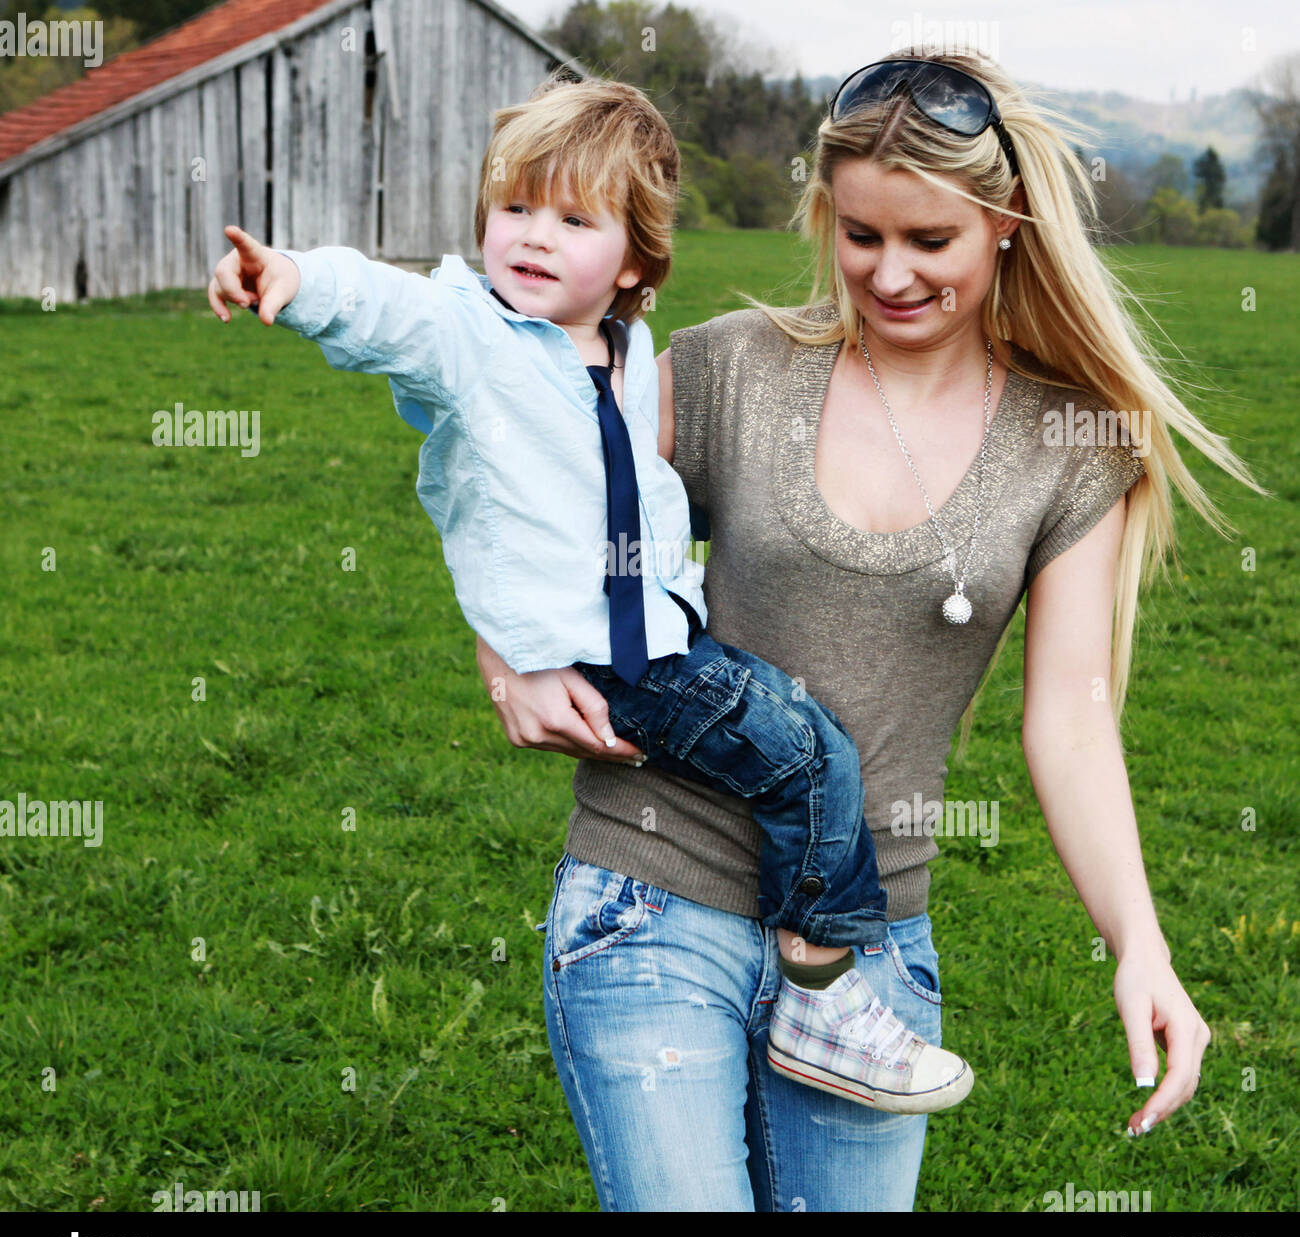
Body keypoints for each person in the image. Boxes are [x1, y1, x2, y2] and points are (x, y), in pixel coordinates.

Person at [474, 48, 1262, 1211]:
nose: (886, 274)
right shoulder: (734, 366)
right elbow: (536, 481)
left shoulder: (1070, 441)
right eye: (859, 236)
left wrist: (1139, 941)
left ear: (1004, 224)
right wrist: (508, 655)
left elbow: (1073, 720)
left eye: (926, 242)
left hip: (869, 953)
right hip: (652, 898)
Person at [206, 73, 974, 1113]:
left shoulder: (623, 351)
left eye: (574, 218)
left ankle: (784, 955)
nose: (533, 235)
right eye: (514, 207)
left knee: (790, 749)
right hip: (618, 657)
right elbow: (388, 307)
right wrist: (291, 276)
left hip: (654, 629)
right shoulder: (471, 334)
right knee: (808, 753)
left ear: (635, 262)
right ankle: (821, 987)